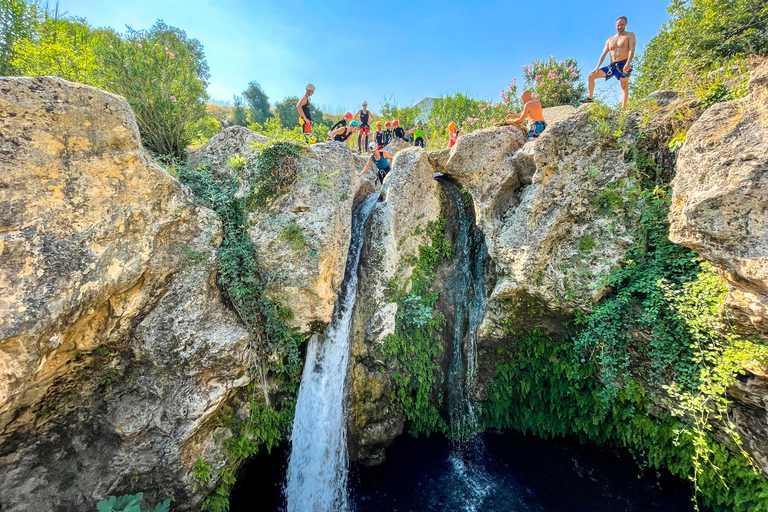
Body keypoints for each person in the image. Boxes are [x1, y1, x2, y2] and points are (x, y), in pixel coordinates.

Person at [582, 16, 637, 109]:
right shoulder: (610, 40)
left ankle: (623, 108)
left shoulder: (629, 35)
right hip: (612, 66)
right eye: (618, 25)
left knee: (624, 86)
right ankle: (590, 98)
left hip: (623, 64)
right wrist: (597, 67)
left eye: (622, 25)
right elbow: (603, 54)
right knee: (591, 75)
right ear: (615, 25)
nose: (620, 27)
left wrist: (628, 63)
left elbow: (632, 49)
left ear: (626, 24)